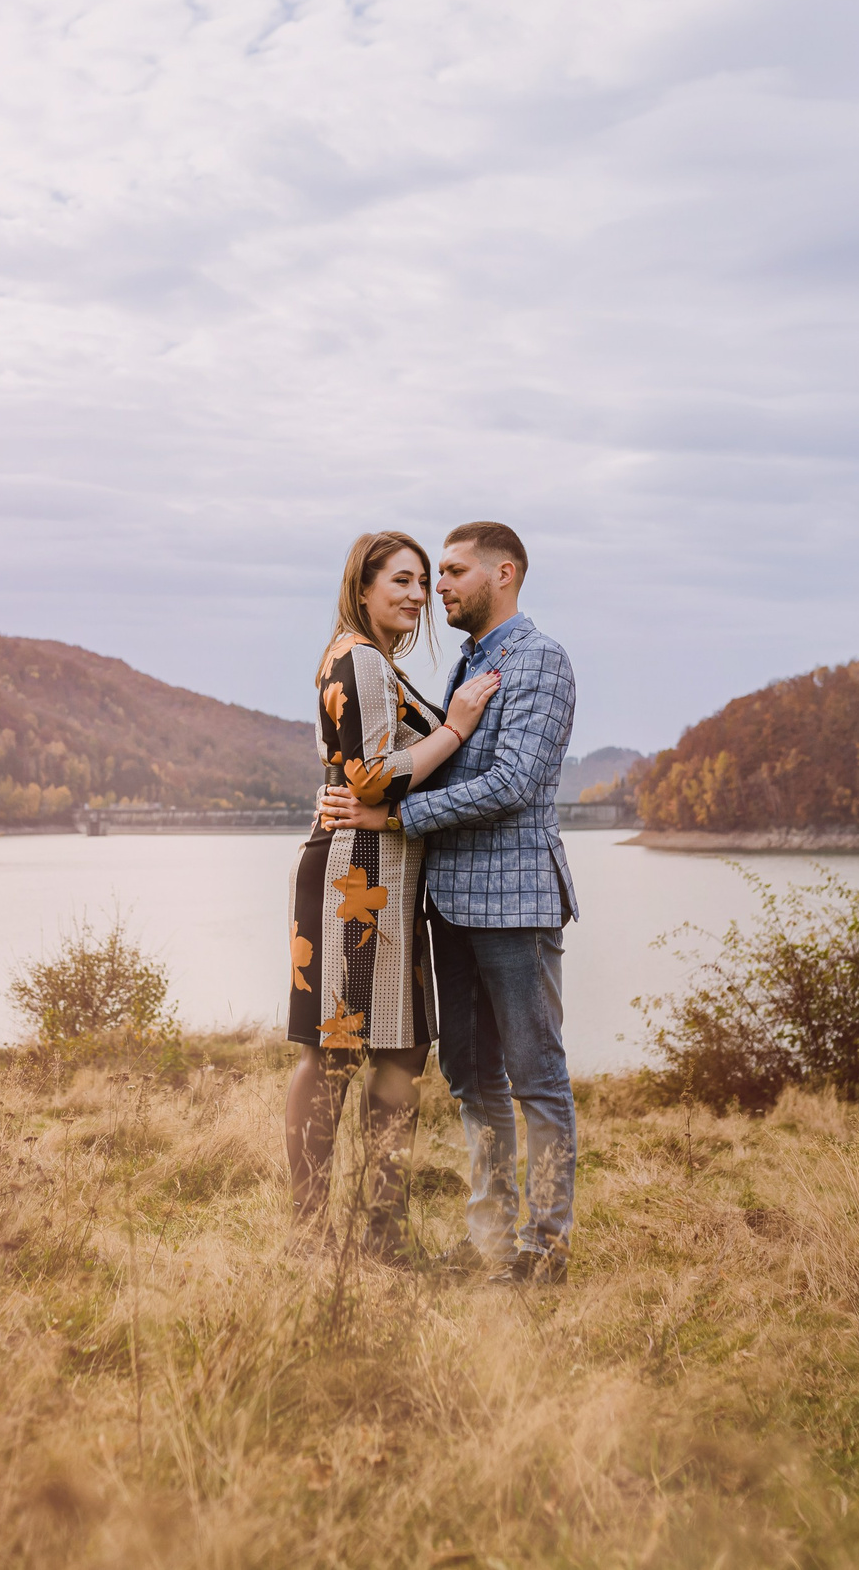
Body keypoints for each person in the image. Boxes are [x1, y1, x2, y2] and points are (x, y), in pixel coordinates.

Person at [319, 521, 578, 1285]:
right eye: (437, 574)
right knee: (472, 1080)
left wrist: (392, 816)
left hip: (519, 905)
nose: (440, 586)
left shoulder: (540, 660)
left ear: (505, 573)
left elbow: (512, 784)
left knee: (536, 1076)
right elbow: (418, 763)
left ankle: (545, 1247)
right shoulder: (469, 663)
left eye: (455, 571)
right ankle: (492, 1239)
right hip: (452, 907)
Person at [288, 530, 502, 1261]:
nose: (417, 594)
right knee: (335, 1052)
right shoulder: (361, 657)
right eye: (401, 581)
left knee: (403, 1050)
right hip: (358, 874)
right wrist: (455, 727)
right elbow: (375, 777)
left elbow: (366, 770)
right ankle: (315, 1234)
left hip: (388, 874)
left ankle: (382, 1230)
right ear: (364, 584)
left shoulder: (361, 656)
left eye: (423, 583)